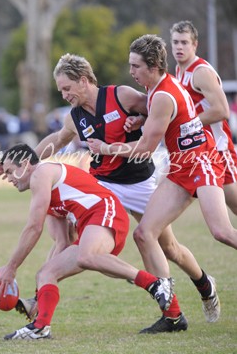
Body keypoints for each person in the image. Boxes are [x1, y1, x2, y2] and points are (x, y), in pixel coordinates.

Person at [0, 54, 220, 332]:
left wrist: (137, 120)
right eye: (60, 90)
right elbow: (56, 140)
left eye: (67, 88)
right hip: (103, 184)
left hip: (140, 182)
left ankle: (203, 283)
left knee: (167, 246)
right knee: (68, 237)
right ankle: (42, 298)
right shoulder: (75, 117)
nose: (64, 95)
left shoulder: (121, 96)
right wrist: (20, 160)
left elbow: (158, 110)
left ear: (84, 80)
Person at [87, 34, 237, 333]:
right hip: (181, 165)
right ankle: (172, 314)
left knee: (221, 232)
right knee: (144, 234)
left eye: (136, 66)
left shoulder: (163, 93)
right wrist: (141, 120)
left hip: (202, 161)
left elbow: (144, 148)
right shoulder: (156, 89)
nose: (131, 72)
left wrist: (105, 148)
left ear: (153, 65)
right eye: (130, 65)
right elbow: (164, 119)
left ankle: (199, 290)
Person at [0, 143, 177, 340]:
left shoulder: (42, 173)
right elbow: (62, 242)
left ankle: (155, 284)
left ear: (27, 164)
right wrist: (40, 294)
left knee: (86, 256)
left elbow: (33, 228)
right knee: (46, 273)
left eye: (11, 171)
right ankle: (40, 326)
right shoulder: (44, 193)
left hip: (105, 211)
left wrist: (10, 268)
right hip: (91, 228)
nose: (9, 178)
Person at [170, 20, 237, 214]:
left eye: (184, 42)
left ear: (194, 44)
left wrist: (187, 124)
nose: (179, 47)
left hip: (218, 147)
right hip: (199, 148)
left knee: (234, 204)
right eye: (175, 42)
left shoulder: (201, 72)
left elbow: (222, 110)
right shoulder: (179, 69)